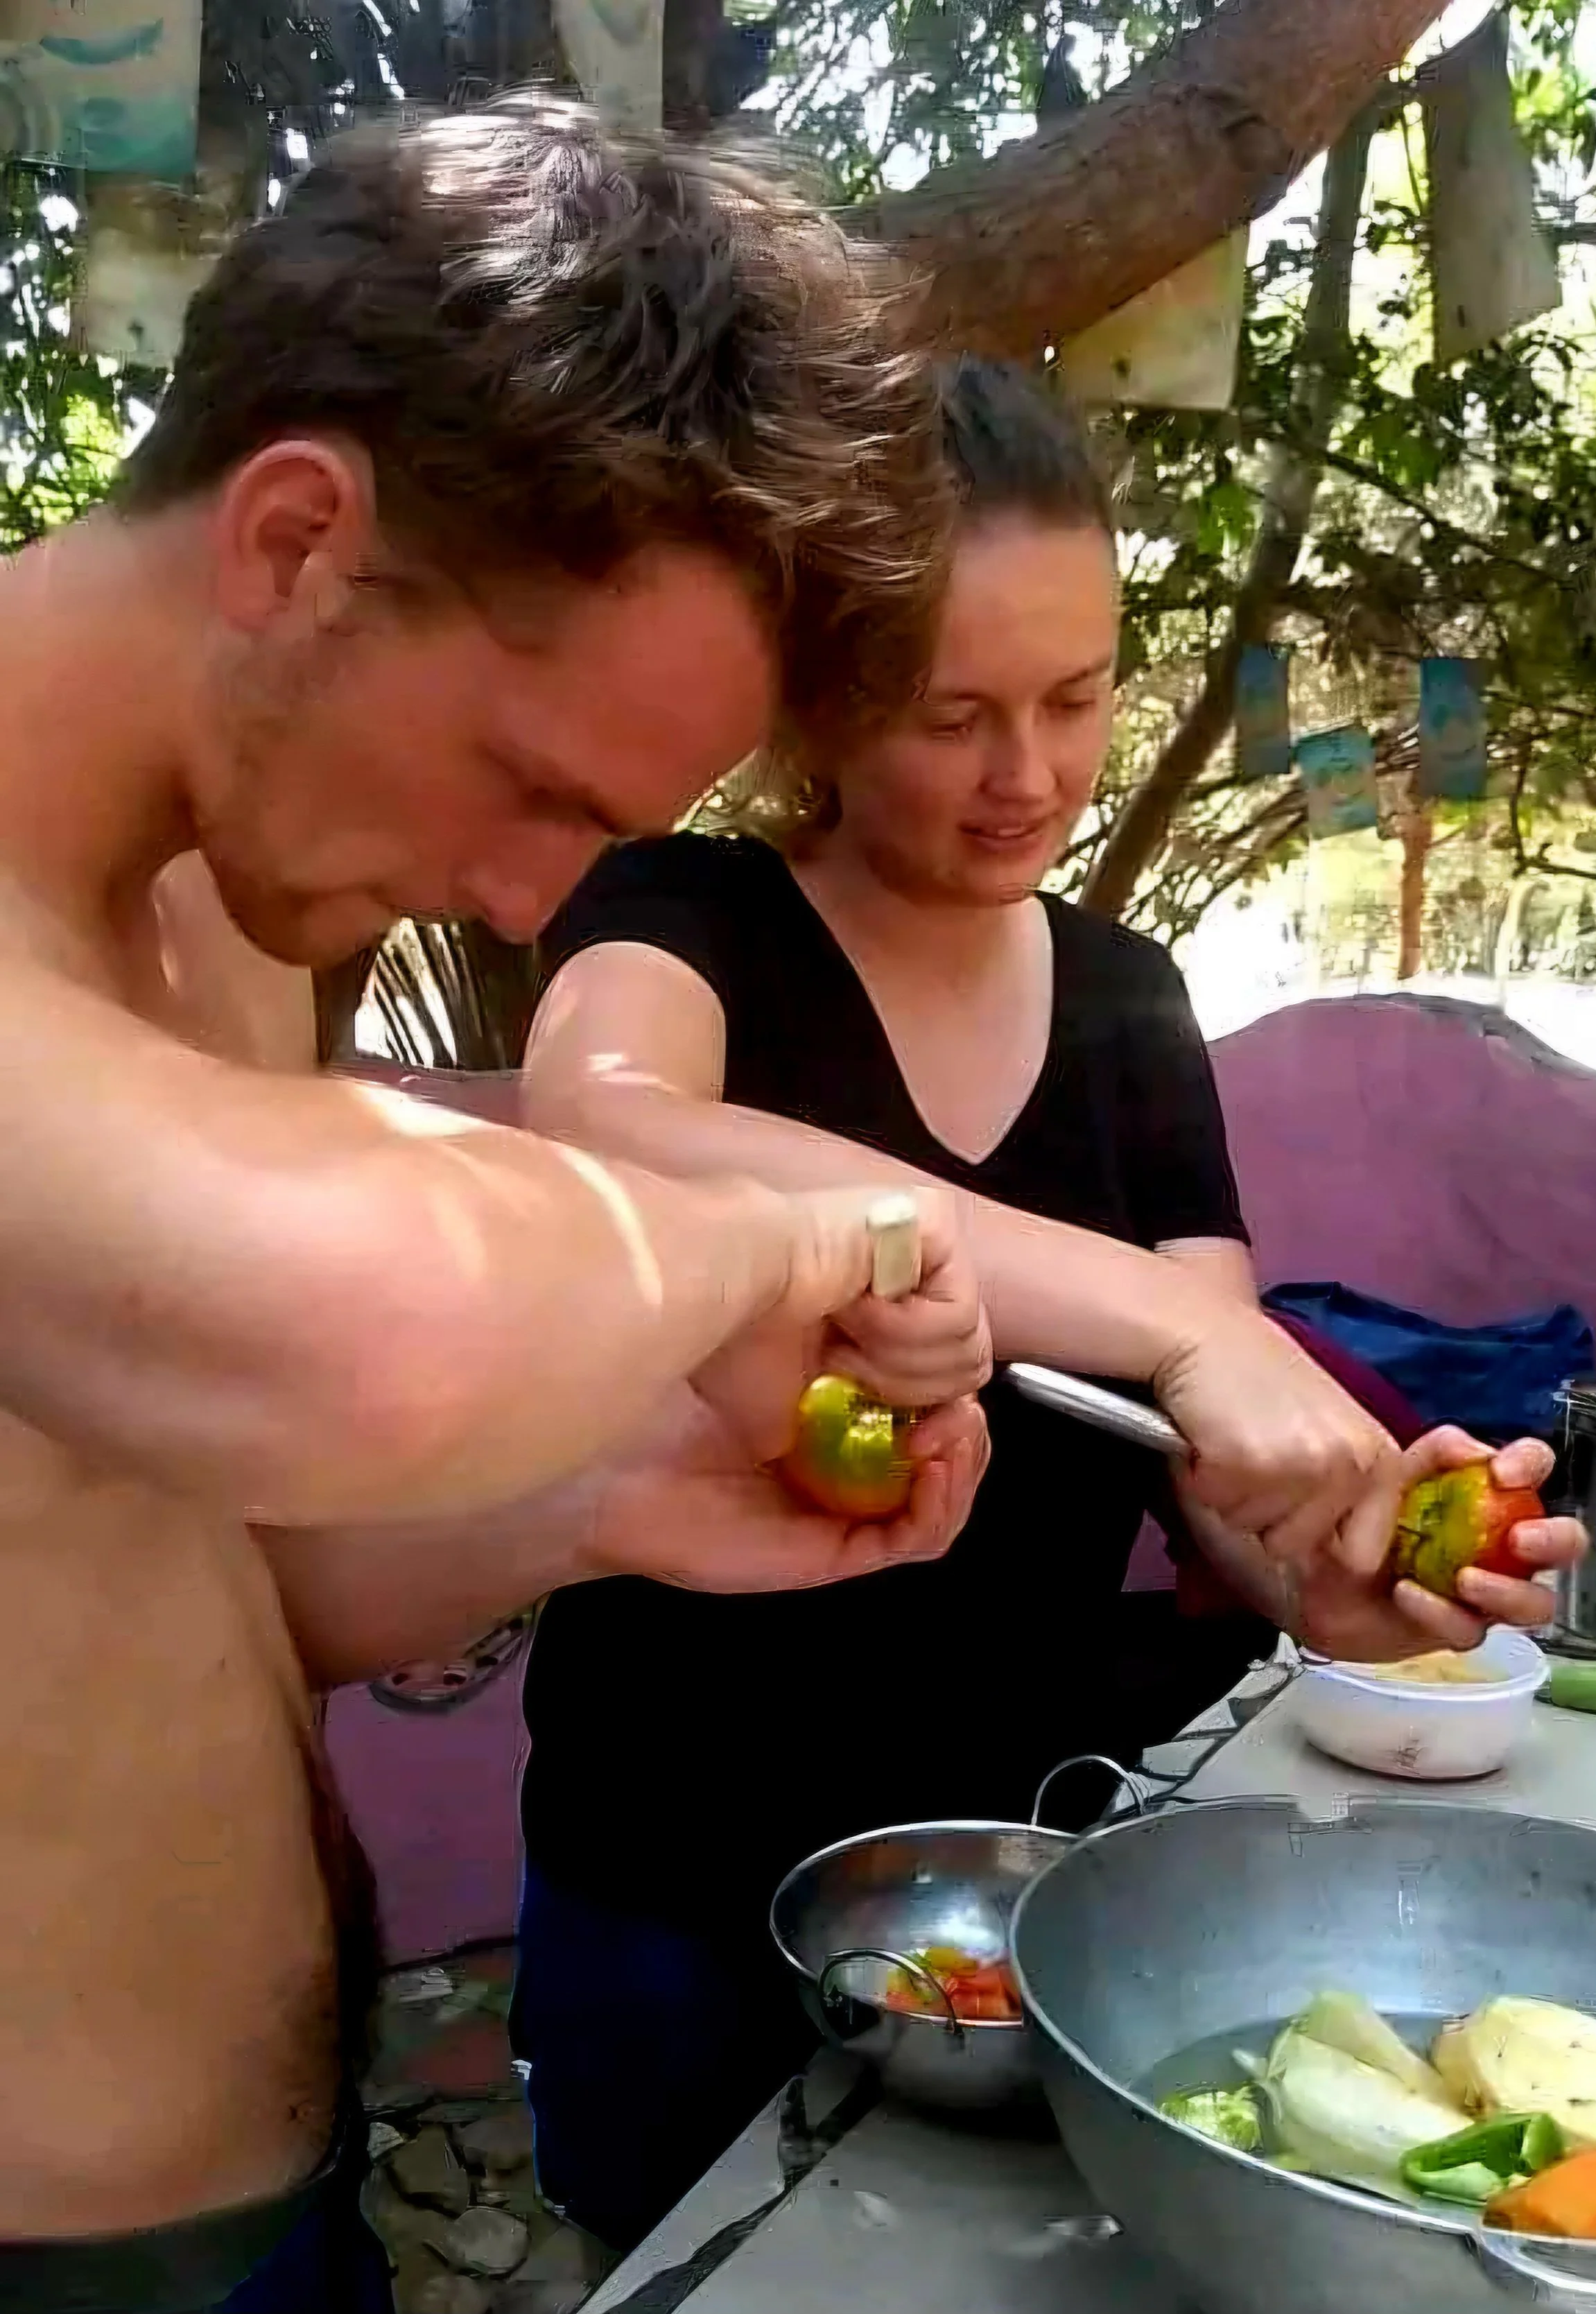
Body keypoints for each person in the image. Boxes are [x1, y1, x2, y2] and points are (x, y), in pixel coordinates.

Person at [0, 97, 1016, 2313]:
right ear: (290, 538)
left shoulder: (230, 915)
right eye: (535, 791)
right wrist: (792, 1240)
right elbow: (359, 1327)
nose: (540, 901)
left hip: (258, 2206)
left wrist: (614, 1497)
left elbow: (218, 1558)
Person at [517, 357, 1587, 2250]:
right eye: (955, 714)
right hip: (669, 1870)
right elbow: (610, 1131)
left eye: (1079, 701)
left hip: (1003, 1880)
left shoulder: (1127, 1004)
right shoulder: (682, 915)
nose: (1031, 775)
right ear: (828, 704)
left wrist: (1323, 1585)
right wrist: (1172, 1324)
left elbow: (1202, 1473)